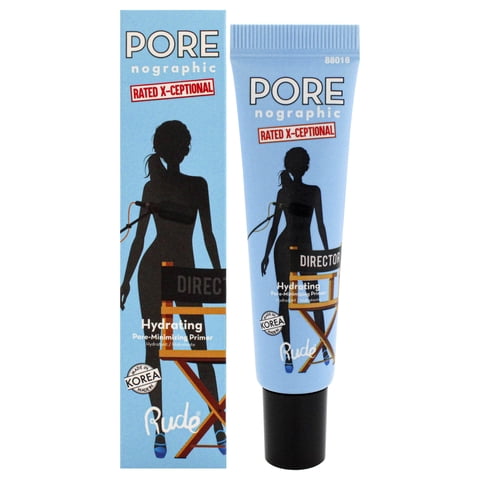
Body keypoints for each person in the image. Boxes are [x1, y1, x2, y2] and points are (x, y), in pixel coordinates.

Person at [120, 120, 225, 458]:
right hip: (155, 272)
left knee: (198, 347)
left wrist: (218, 274)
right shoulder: (154, 188)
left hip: (183, 274)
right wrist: (125, 279)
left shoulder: (197, 185)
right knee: (156, 350)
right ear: (181, 148)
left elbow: (208, 235)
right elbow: (139, 239)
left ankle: (217, 422)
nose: (182, 149)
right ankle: (160, 431)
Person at [261, 147, 329, 372]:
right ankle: (293, 353)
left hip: (295, 251)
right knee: (301, 300)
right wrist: (265, 254)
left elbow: (320, 225)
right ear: (305, 166)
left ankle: (318, 348)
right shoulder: (301, 192)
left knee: (303, 300)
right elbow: (276, 226)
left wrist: (266, 255)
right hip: (289, 250)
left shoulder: (303, 192)